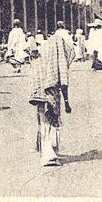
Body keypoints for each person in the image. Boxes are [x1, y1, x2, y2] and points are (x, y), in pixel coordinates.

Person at [29, 23, 75, 166]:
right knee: (48, 121)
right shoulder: (58, 50)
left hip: (38, 87)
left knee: (42, 119)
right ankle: (48, 155)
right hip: (50, 89)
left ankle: (44, 149)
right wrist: (67, 102)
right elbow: (63, 79)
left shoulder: (44, 49)